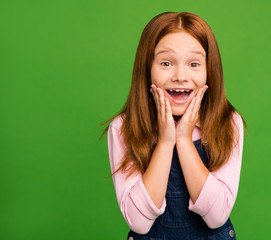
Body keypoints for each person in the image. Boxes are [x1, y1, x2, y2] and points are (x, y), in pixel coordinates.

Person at [104, 11, 246, 240]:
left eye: (194, 64)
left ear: (209, 71)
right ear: (147, 69)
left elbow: (217, 216)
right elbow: (139, 223)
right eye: (166, 63)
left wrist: (183, 140)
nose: (180, 76)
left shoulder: (228, 122)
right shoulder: (123, 128)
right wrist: (165, 142)